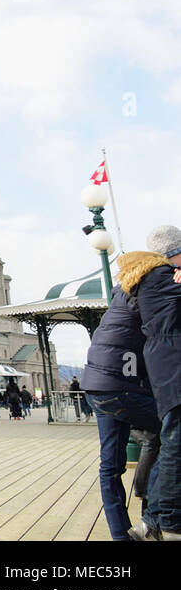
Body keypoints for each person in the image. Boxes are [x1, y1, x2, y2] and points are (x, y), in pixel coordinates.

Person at [82, 249, 164, 540]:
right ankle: (151, 518)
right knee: (170, 432)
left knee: (110, 465)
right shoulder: (150, 291)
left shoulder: (121, 295)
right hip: (119, 388)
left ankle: (120, 534)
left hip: (96, 386)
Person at [132, 225, 181, 541]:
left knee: (172, 443)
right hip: (174, 368)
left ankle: (152, 520)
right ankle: (165, 522)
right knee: (175, 445)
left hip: (168, 368)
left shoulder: (155, 278)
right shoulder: (160, 277)